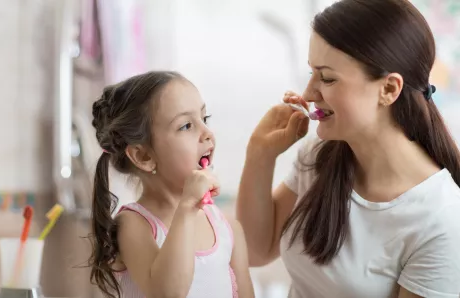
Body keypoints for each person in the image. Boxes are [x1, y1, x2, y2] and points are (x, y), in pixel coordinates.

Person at [236, 0, 460, 297]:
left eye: (327, 78)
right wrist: (260, 154)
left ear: (389, 89)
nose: (308, 93)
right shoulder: (319, 155)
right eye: (311, 73)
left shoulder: (441, 219)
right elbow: (255, 249)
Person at [88, 71, 254, 298]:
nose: (207, 134)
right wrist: (186, 208)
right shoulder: (133, 226)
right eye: (186, 126)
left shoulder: (228, 230)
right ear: (144, 156)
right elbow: (167, 294)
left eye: (204, 119)